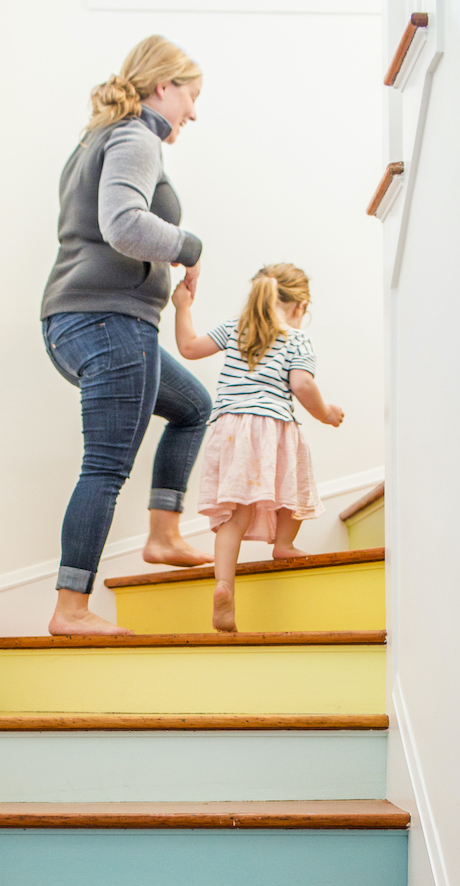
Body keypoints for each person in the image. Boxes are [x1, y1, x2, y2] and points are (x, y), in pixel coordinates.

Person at [41, 35, 213, 636]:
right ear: (162, 87)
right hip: (111, 319)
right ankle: (70, 610)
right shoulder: (136, 137)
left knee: (193, 406)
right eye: (191, 96)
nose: (194, 111)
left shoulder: (97, 137)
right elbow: (123, 225)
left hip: (78, 319)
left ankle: (164, 534)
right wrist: (189, 247)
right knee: (106, 467)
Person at [173, 263, 344, 632]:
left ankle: (223, 586)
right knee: (290, 489)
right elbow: (301, 385)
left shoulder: (238, 326)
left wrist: (182, 307)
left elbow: (189, 347)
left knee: (235, 514)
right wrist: (326, 412)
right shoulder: (297, 339)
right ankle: (283, 543)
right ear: (299, 305)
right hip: (272, 424)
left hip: (229, 426)